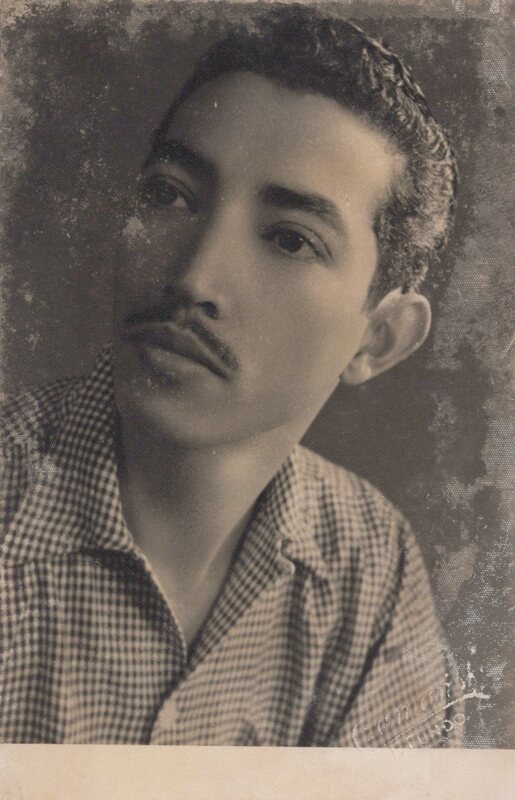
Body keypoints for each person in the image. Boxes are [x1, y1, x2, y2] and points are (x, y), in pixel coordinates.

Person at [0, 5, 464, 745]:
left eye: (290, 239)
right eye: (169, 194)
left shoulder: (370, 561)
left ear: (378, 339)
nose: (194, 277)